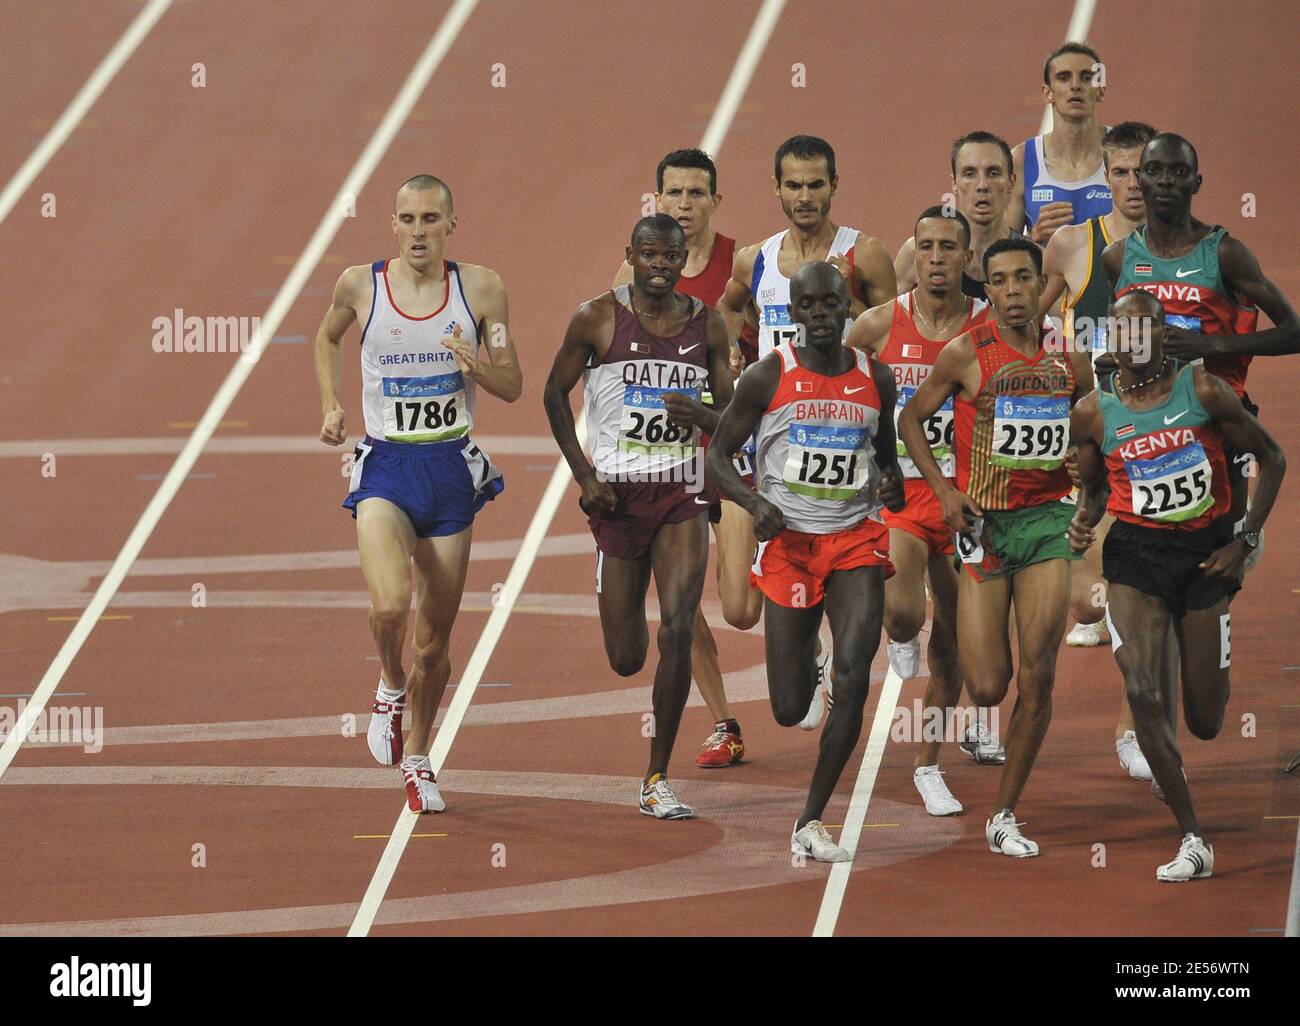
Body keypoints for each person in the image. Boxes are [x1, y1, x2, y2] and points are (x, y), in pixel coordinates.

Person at [316, 175, 522, 813]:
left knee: (434, 646)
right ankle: (386, 683)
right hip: (385, 468)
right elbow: (327, 337)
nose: (418, 232)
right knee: (389, 607)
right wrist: (332, 403)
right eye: (407, 219)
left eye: (430, 219)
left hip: (450, 475)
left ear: (450, 225)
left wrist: (476, 367)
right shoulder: (361, 284)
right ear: (393, 224)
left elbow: (512, 382)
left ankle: (419, 755)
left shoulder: (481, 289)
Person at [1068, 290, 1286, 880]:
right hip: (1135, 557)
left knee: (1206, 720)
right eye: (1121, 330)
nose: (1132, 339)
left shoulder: (1204, 391)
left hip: (1203, 556)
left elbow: (1273, 458)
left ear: (1164, 333)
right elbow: (1092, 488)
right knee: (1141, 689)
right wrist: (1083, 521)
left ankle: (1196, 678)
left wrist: (1242, 541)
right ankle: (1193, 836)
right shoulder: (1092, 411)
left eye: (1144, 328)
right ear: (1108, 338)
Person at [898, 236, 1093, 857]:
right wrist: (945, 491)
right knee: (987, 686)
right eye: (1001, 281)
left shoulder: (1073, 361)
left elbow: (1098, 434)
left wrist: (1089, 496)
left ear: (1042, 287)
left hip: (1044, 527)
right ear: (990, 291)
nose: (1013, 292)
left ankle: (1005, 814)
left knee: (1039, 677)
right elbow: (909, 420)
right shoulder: (965, 353)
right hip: (982, 530)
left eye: (1023, 280)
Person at [707, 262, 904, 861]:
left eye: (831, 303)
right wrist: (750, 500)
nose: (821, 314)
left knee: (856, 675)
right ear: (792, 313)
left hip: (854, 541)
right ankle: (809, 660)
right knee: (790, 708)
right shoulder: (768, 376)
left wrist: (892, 483)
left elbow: (886, 456)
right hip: (790, 546)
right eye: (809, 305)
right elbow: (718, 455)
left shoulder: (879, 378)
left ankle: (811, 819)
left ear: (848, 307)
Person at [544, 213, 732, 819]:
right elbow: (554, 394)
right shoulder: (596, 317)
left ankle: (656, 777)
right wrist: (585, 474)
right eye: (648, 254)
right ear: (631, 254)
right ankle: (612, 570)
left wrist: (702, 419)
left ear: (683, 260)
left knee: (678, 628)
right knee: (626, 655)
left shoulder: (708, 324)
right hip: (619, 499)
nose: (660, 265)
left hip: (682, 493)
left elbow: (732, 413)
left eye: (670, 256)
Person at [718, 134, 897, 725]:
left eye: (815, 183)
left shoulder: (863, 255)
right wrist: (732, 365)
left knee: (854, 581)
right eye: (792, 184)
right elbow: (727, 310)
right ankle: (808, 648)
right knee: (741, 609)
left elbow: (889, 332)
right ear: (776, 188)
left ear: (834, 185)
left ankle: (841, 643)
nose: (804, 196)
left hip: (841, 436)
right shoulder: (755, 259)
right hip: (769, 449)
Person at [849, 206, 1004, 815]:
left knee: (958, 649)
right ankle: (890, 633)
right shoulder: (877, 325)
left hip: (972, 504)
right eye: (927, 246)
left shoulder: (993, 327)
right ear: (913, 254)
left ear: (968, 259)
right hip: (906, 496)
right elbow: (836, 386)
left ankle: (928, 763)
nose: (937, 258)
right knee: (904, 616)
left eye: (949, 248)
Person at [613, 149, 760, 768]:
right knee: (679, 605)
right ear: (657, 200)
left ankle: (808, 642)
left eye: (696, 193)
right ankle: (724, 720)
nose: (684, 204)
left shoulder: (741, 265)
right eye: (673, 192)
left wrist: (743, 377)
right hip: (666, 460)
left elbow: (775, 336)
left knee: (739, 608)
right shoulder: (633, 272)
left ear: (715, 202)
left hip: (730, 451)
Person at [1040, 120, 1158, 773]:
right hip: (1076, 439)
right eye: (1120, 171)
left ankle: (1132, 729)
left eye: (1145, 170)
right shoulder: (1069, 245)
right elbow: (1026, 324)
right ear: (1105, 177)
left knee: (1136, 594)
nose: (1133, 184)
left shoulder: (1181, 253)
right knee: (1088, 599)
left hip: (1148, 441)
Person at [895, 131, 1023, 301]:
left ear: (1011, 182)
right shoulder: (920, 253)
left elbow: (1057, 323)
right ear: (954, 183)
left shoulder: (1033, 258)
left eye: (993, 173)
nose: (982, 185)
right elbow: (886, 320)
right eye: (970, 174)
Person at [1005, 43, 1111, 244]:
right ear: (1047, 92)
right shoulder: (1021, 160)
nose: (1075, 86)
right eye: (1064, 78)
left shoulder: (1125, 152)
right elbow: (1005, 255)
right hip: (1050, 275)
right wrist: (1033, 237)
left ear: (1100, 90)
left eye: (1087, 78)